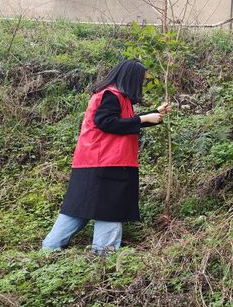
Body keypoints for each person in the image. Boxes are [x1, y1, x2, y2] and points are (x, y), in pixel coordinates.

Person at [42, 59, 171, 253]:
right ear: (130, 79)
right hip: (108, 162)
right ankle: (103, 254)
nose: (141, 85)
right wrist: (144, 118)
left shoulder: (112, 96)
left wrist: (154, 114)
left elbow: (122, 122)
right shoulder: (111, 95)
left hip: (93, 161)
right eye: (140, 81)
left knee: (78, 208)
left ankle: (51, 247)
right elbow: (107, 122)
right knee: (110, 209)